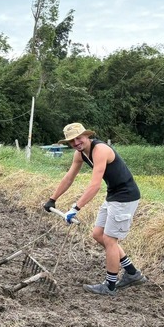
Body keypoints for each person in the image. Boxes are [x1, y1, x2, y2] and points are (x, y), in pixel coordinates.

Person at [43, 122, 146, 296]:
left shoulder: (100, 150)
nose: (76, 143)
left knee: (110, 239)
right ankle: (132, 273)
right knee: (98, 235)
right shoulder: (80, 154)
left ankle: (110, 286)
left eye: (79, 138)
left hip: (125, 196)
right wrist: (52, 199)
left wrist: (75, 208)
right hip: (114, 194)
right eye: (72, 141)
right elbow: (69, 178)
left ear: (87, 136)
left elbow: (95, 185)